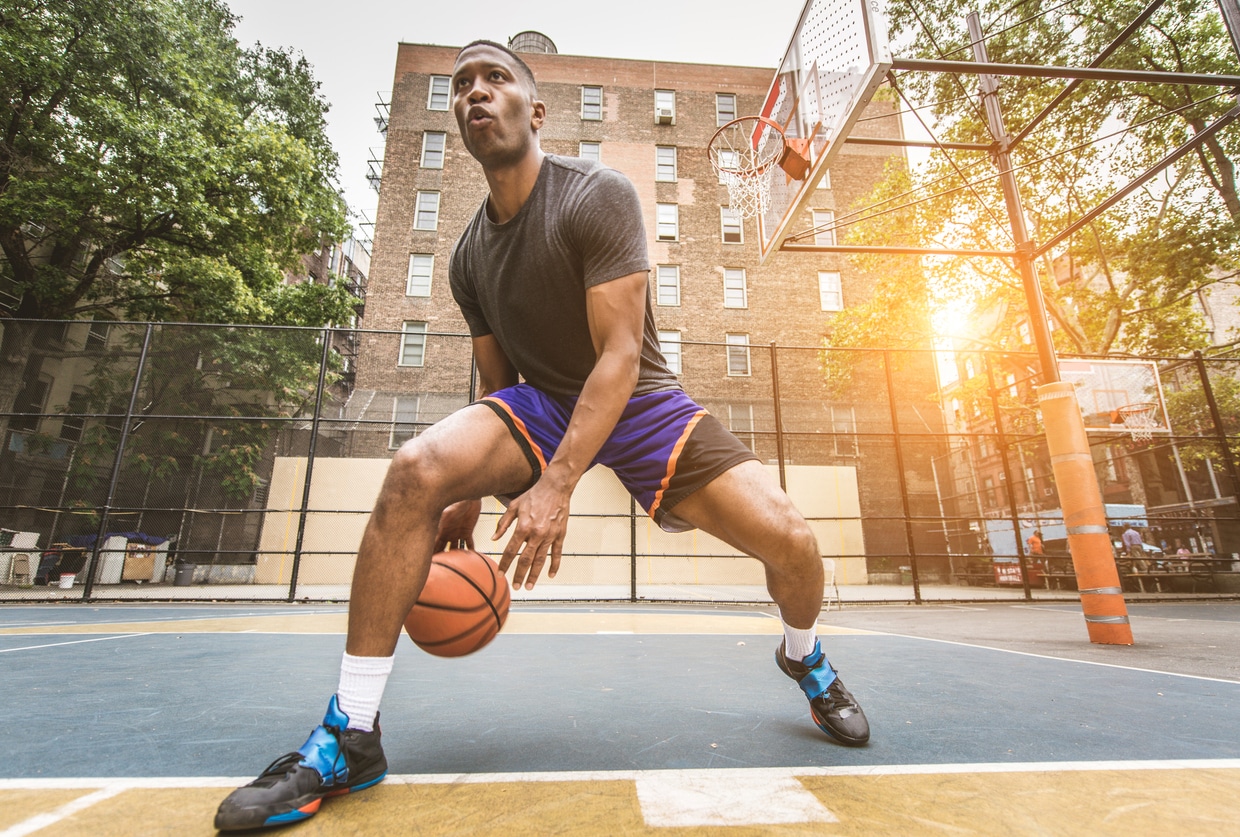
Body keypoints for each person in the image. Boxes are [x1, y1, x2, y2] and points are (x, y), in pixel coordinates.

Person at [213, 39, 870, 832]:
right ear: (457, 116)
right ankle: (349, 733)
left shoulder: (596, 194)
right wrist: (470, 489)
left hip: (642, 401)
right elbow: (496, 386)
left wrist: (556, 482)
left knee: (793, 541)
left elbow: (620, 354)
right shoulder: (466, 259)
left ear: (537, 108)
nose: (475, 93)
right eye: (462, 85)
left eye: (496, 78)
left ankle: (803, 655)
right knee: (415, 469)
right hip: (545, 403)